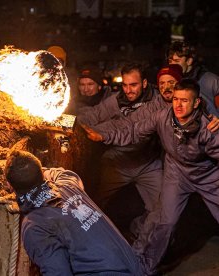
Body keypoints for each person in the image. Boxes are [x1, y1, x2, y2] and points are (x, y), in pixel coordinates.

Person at [83, 79, 219, 275]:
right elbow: (133, 131)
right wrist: (104, 137)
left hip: (207, 175)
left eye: (185, 101)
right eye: (175, 99)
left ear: (196, 102)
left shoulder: (209, 129)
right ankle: (144, 267)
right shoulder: (162, 117)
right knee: (166, 222)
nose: (178, 105)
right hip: (177, 174)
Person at [4, 149, 142, 275]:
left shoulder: (35, 225)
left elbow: (59, 272)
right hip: (135, 269)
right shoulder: (68, 185)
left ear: (9, 185)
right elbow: (60, 172)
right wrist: (34, 172)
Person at [77, 62, 163, 239]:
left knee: (163, 208)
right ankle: (89, 240)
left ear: (144, 83)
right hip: (119, 161)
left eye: (134, 85)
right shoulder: (117, 100)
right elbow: (94, 115)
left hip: (148, 163)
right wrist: (69, 122)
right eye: (125, 85)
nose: (128, 90)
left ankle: (137, 232)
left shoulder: (158, 101)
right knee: (93, 201)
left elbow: (132, 129)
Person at [167, 41, 219, 116]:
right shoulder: (168, 81)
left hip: (210, 126)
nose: (172, 65)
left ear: (189, 61)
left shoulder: (211, 80)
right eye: (170, 61)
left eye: (177, 61)